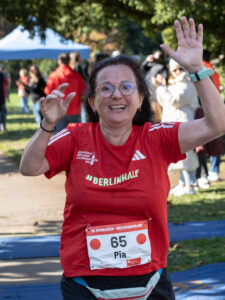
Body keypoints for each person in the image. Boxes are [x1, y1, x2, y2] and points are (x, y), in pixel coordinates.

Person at [19, 17, 225, 299]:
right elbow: (29, 167)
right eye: (105, 88)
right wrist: (47, 124)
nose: (116, 94)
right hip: (84, 284)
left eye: (126, 87)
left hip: (150, 282)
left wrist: (196, 68)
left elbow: (216, 125)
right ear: (92, 102)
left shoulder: (156, 137)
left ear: (141, 98)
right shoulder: (75, 136)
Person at [155, 59, 199, 196]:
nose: (176, 72)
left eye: (179, 68)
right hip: (174, 124)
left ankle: (190, 184)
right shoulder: (176, 83)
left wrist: (162, 87)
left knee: (186, 155)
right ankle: (182, 183)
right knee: (177, 154)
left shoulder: (187, 83)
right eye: (174, 69)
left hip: (184, 123)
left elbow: (174, 101)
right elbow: (163, 101)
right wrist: (160, 87)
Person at [44, 53, 86, 133]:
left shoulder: (54, 75)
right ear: (69, 61)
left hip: (59, 110)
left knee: (60, 136)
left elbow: (47, 92)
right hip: (75, 110)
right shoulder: (76, 75)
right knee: (75, 135)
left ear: (59, 62)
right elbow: (83, 91)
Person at [203, 49, 223, 182]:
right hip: (217, 105)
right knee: (216, 139)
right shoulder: (213, 70)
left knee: (203, 140)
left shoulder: (201, 69)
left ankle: (203, 173)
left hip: (204, 107)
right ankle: (214, 171)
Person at [144, 50, 168, 122]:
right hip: (149, 94)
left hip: (156, 95)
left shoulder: (160, 67)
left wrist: (157, 82)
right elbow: (143, 67)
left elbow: (162, 81)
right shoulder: (151, 66)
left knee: (158, 116)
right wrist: (147, 60)